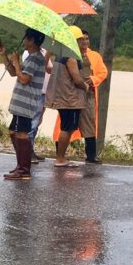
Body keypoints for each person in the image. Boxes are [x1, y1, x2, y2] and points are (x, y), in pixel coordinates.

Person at [51, 27, 109, 164]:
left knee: (89, 123)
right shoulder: (69, 55)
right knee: (66, 125)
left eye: (86, 39)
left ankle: (91, 155)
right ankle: (60, 155)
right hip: (72, 95)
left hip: (88, 94)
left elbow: (103, 72)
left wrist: (93, 80)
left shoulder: (94, 55)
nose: (84, 41)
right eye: (81, 39)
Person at [0, 29, 47, 180]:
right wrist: (5, 57)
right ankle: (21, 165)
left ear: (31, 40)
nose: (24, 41)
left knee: (21, 133)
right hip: (20, 102)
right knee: (13, 132)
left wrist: (17, 63)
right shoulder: (31, 57)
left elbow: (24, 79)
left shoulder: (35, 58)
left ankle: (24, 169)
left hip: (26, 102)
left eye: (25, 38)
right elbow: (14, 73)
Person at [45, 44, 89, 168]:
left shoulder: (60, 56)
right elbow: (76, 79)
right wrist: (85, 86)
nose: (83, 43)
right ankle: (60, 159)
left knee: (66, 126)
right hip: (70, 99)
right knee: (67, 128)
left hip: (62, 98)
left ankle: (61, 157)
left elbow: (49, 69)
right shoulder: (71, 58)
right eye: (80, 40)